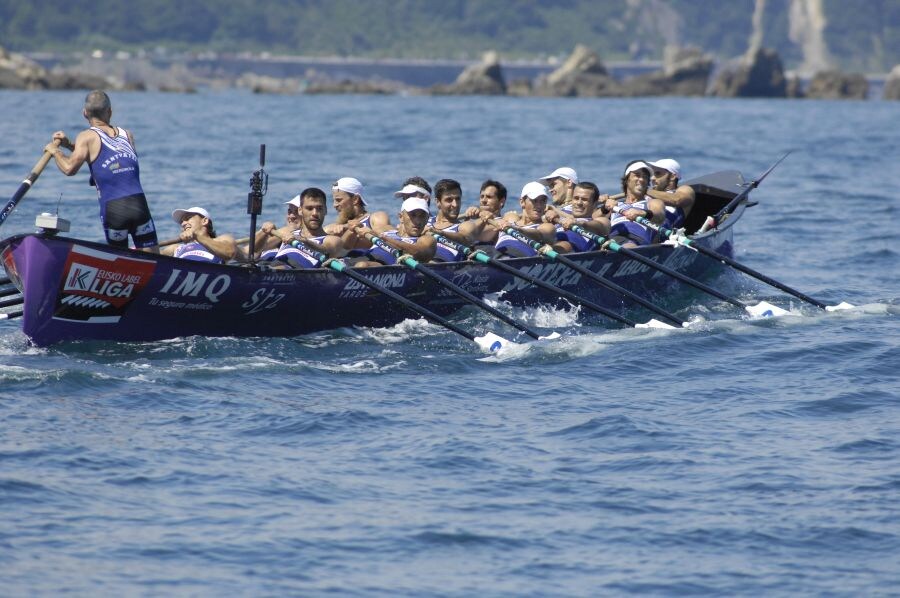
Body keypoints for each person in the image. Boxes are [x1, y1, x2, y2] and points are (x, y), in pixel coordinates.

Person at [45, 90, 158, 252]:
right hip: (139, 205)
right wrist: (69, 144)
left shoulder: (86, 137)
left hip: (114, 209)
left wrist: (55, 151)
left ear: (85, 113)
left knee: (120, 261)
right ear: (110, 112)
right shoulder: (127, 135)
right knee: (152, 258)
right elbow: (109, 158)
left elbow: (69, 168)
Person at [266, 187, 345, 268]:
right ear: (300, 210)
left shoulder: (333, 240)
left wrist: (304, 240)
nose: (315, 213)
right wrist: (263, 232)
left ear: (325, 210)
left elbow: (326, 250)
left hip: (296, 273)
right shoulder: (287, 233)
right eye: (309, 208)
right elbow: (255, 250)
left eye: (319, 208)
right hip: (273, 267)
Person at [355, 197, 436, 265]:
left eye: (422, 216)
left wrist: (385, 239)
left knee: (362, 265)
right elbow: (350, 245)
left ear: (427, 219)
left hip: (382, 267)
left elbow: (416, 252)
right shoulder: (386, 229)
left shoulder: (427, 239)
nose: (418, 221)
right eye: (413, 215)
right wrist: (351, 228)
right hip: (363, 258)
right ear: (401, 217)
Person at [603, 161, 666, 247]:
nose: (641, 179)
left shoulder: (652, 202)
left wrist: (641, 213)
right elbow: (593, 218)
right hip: (613, 238)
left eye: (645, 177)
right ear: (627, 179)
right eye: (637, 175)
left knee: (628, 245)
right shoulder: (615, 204)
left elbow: (659, 216)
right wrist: (604, 207)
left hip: (636, 241)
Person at [492, 182, 558, 258]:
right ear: (522, 202)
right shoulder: (509, 218)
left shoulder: (547, 227)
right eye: (535, 201)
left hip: (519, 257)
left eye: (543, 201)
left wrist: (516, 229)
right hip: (497, 254)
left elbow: (540, 234)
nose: (539, 205)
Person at [324, 177, 390, 250]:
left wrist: (349, 228)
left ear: (355, 199)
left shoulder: (376, 217)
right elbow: (323, 232)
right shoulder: (336, 226)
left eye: (338, 200)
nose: (334, 205)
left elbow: (386, 235)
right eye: (334, 200)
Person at [425, 178, 482, 262]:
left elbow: (465, 239)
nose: (455, 204)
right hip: (419, 258)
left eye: (458, 199)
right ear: (438, 202)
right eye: (449, 200)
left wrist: (440, 233)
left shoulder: (465, 225)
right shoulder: (425, 221)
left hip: (442, 264)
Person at [547, 181, 610, 253]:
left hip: (569, 251)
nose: (579, 203)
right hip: (548, 247)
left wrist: (577, 223)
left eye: (584, 199)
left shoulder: (601, 221)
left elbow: (601, 226)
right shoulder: (560, 219)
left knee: (566, 244)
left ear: (594, 204)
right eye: (576, 198)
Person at [161, 207, 238, 263]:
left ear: (204, 221)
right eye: (181, 221)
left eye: (188, 218)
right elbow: (151, 257)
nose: (183, 223)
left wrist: (197, 236)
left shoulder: (221, 240)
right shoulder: (175, 248)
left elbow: (229, 253)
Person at [250, 193, 303, 260]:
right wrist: (262, 233)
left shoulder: (316, 238)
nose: (291, 216)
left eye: (296, 212)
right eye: (289, 211)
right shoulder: (281, 232)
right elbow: (253, 249)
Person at [648, 158, 695, 230]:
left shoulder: (685, 189)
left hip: (658, 233)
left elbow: (677, 199)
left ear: (672, 176)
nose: (652, 178)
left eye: (657, 173)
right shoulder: (648, 192)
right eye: (652, 174)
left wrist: (644, 191)